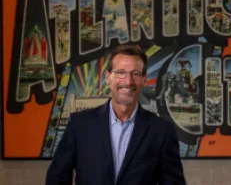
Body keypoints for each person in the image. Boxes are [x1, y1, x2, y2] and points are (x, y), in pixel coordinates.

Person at [45, 44, 186, 185]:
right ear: (108, 77)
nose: (128, 81)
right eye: (121, 73)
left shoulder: (162, 131)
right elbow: (57, 178)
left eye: (135, 73)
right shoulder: (80, 125)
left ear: (144, 80)